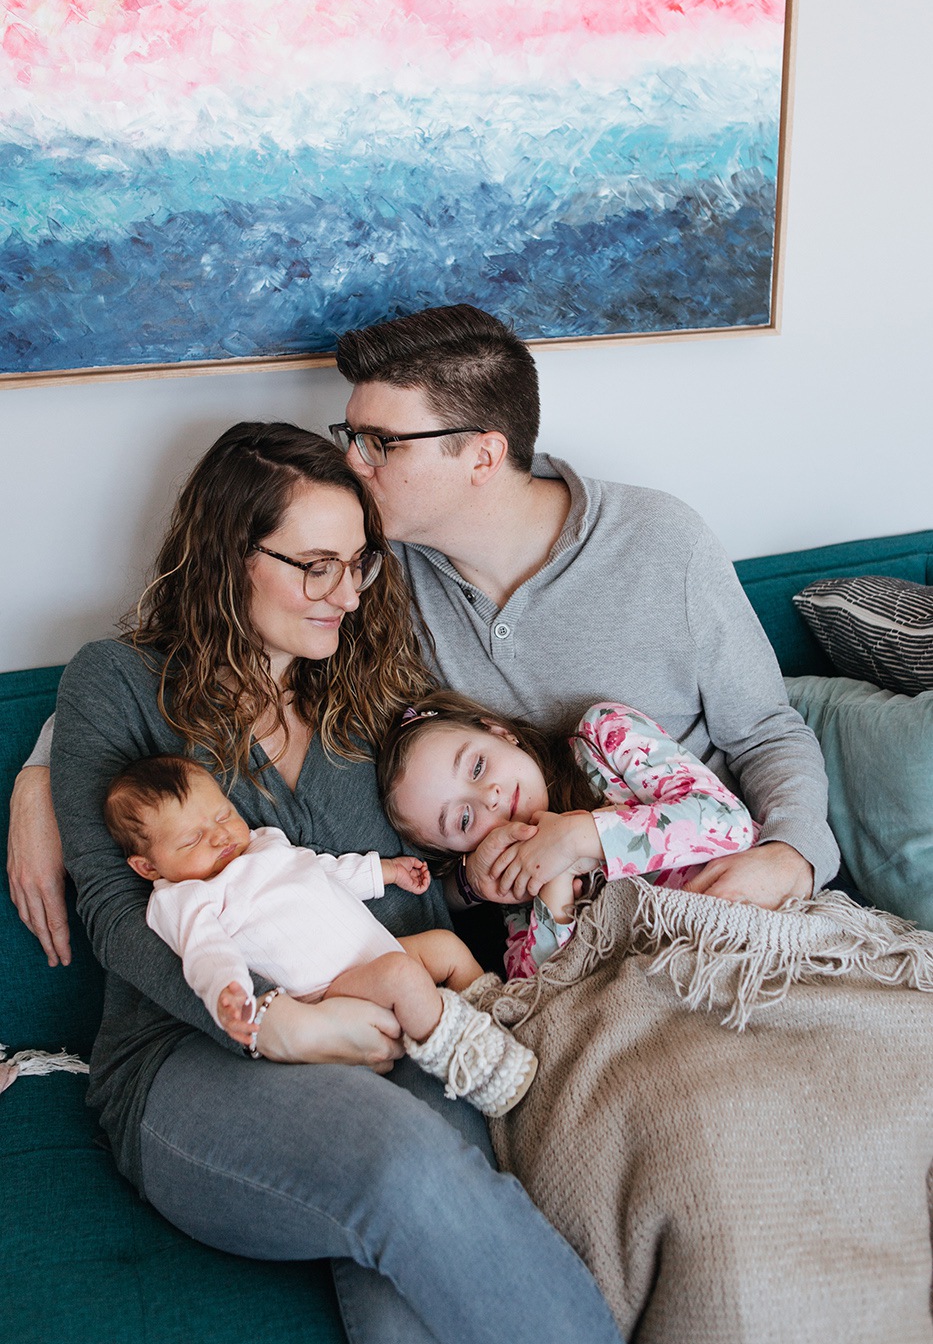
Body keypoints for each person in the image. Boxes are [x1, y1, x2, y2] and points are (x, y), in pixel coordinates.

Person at [29, 422, 623, 1344]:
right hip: (192, 1061)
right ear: (229, 554)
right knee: (403, 1170)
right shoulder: (119, 684)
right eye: (315, 566)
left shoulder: (372, 685)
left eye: (358, 564)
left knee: (420, 1228)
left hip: (398, 1020)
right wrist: (279, 1024)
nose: (344, 594)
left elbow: (432, 865)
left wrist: (513, 869)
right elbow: (115, 913)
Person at [10, 301, 838, 933]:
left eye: (380, 442)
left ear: (481, 454)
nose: (350, 461)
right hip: (565, 934)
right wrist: (41, 776)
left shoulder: (660, 541)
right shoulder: (371, 578)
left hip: (712, 886)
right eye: (351, 435)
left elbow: (766, 729)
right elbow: (190, 634)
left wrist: (789, 857)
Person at [104, 753, 536, 1115]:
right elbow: (206, 953)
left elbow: (322, 871)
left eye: (223, 815)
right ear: (149, 866)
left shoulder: (262, 843)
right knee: (403, 977)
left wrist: (382, 872)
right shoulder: (186, 898)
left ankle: (491, 1010)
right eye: (193, 838)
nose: (220, 836)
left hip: (374, 954)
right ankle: (474, 1063)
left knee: (445, 946)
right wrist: (228, 992)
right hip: (330, 992)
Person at [378, 691, 757, 979]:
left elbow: (729, 823)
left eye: (477, 766)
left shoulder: (603, 737)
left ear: (501, 733)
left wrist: (579, 837)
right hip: (678, 982)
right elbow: (541, 998)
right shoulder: (517, 889)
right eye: (463, 819)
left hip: (754, 918)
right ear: (459, 852)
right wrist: (554, 886)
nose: (488, 798)